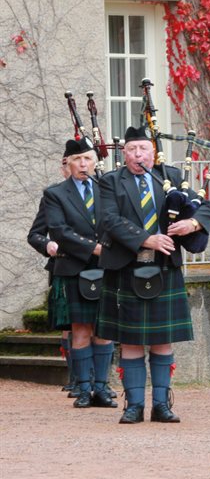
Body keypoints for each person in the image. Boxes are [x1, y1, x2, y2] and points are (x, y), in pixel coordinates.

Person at [96, 125, 210, 424]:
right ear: (124, 154)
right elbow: (109, 220)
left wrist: (193, 225)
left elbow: (205, 207)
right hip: (126, 266)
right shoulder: (111, 182)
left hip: (164, 267)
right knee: (132, 340)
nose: (139, 155)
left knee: (163, 340)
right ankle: (134, 405)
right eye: (133, 150)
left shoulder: (171, 177)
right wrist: (145, 239)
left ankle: (161, 404)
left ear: (153, 152)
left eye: (144, 150)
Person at [43, 138, 116, 409]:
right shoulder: (56, 194)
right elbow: (59, 230)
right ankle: (84, 389)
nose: (83, 164)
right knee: (81, 330)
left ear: (95, 163)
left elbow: (116, 221)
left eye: (87, 159)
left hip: (107, 267)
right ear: (68, 164)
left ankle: (103, 388)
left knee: (105, 330)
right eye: (77, 160)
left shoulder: (106, 188)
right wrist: (94, 249)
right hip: (75, 267)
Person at [29, 158, 78, 395]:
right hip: (63, 266)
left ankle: (95, 379)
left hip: (96, 267)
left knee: (96, 325)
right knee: (69, 324)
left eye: (86, 159)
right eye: (71, 162)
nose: (80, 165)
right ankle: (76, 377)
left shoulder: (101, 193)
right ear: (64, 168)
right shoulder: (52, 197)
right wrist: (47, 243)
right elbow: (35, 234)